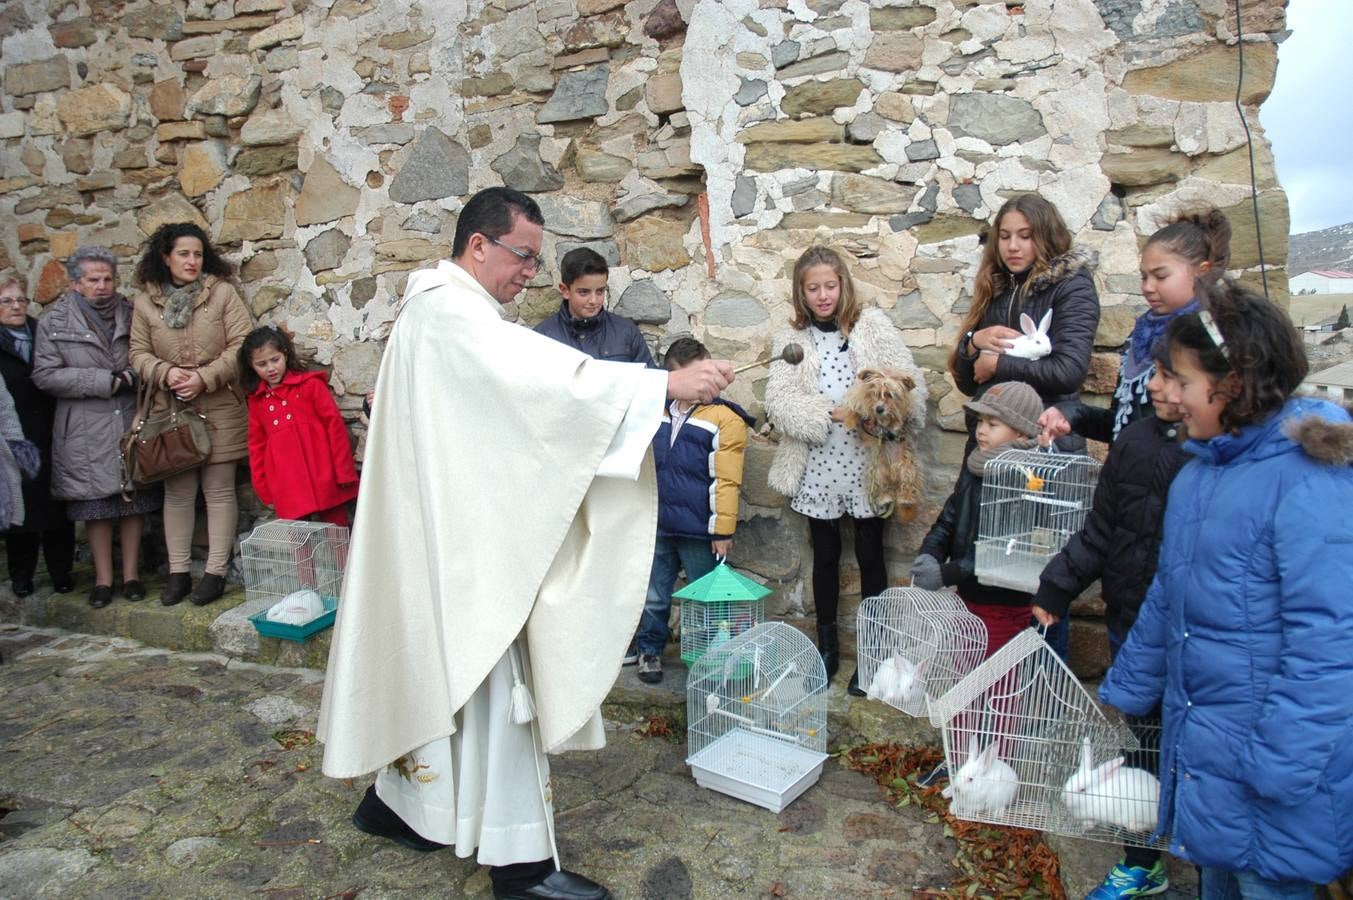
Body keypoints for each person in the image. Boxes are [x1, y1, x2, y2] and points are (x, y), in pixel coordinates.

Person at [317, 186, 732, 900]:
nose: (528, 276)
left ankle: (398, 809)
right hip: (465, 547)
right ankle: (521, 868)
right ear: (478, 244)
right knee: (496, 685)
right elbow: (541, 381)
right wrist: (661, 387)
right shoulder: (450, 315)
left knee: (446, 674)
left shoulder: (442, 312)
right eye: (523, 257)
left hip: (453, 533)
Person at [1101, 282, 1353, 899]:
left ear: (1234, 382)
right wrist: (1130, 687)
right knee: (1219, 875)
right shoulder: (1201, 474)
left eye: (1179, 379)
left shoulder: (1307, 481)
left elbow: (1329, 643)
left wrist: (1280, 766)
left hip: (1274, 765)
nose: (1162, 391)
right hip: (1214, 754)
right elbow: (1169, 593)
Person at [1033, 349, 1189, 899]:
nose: (1160, 388)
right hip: (1131, 619)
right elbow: (1102, 528)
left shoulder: (1211, 453)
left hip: (1190, 630)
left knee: (1190, 747)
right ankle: (1142, 859)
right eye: (1158, 376)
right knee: (1142, 743)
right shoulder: (1137, 440)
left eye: (1175, 378)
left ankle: (1193, 846)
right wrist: (1058, 584)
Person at [764, 245, 927, 695]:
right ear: (801, 291)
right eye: (812, 288)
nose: (822, 295)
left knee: (872, 553)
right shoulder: (792, 339)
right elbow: (778, 400)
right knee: (827, 555)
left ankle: (872, 655)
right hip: (818, 460)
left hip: (865, 460)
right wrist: (828, 414)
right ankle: (827, 650)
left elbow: (909, 384)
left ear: (843, 285)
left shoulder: (870, 328)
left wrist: (879, 411)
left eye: (829, 286)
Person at [949, 193, 1100, 660]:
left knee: (1041, 577)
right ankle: (996, 686)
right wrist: (974, 345)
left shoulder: (1071, 286)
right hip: (994, 451)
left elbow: (1069, 371)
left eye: (1025, 236)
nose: (1013, 246)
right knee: (991, 573)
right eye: (1005, 236)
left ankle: (1041, 689)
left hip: (1045, 453)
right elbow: (964, 376)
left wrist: (997, 366)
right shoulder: (995, 287)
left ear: (1045, 236)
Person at [130, 223, 252, 607]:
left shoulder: (222, 294)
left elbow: (242, 344)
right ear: (166, 257)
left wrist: (205, 377)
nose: (191, 261)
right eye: (183, 254)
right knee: (178, 493)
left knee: (218, 490)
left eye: (197, 254)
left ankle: (214, 573)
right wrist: (165, 373)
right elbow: (137, 353)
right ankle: (178, 573)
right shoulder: (146, 302)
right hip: (172, 411)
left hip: (219, 404)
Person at [32, 246, 161, 609]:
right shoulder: (55, 322)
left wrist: (132, 377)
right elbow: (45, 375)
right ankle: (103, 580)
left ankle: (133, 574)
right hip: (84, 427)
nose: (102, 286)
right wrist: (104, 380)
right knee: (96, 506)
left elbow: (149, 353)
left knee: (133, 499)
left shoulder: (131, 312)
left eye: (107, 279)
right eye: (93, 280)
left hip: (128, 417)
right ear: (75, 283)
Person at [1038, 209, 1231, 446]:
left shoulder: (1213, 339)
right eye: (1143, 277)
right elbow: (1122, 426)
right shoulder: (1140, 337)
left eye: (1160, 276)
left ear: (1202, 271)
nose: (1148, 287)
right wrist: (1072, 414)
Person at [636, 337, 754, 684]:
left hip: (698, 531)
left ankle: (707, 658)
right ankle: (650, 651)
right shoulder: (653, 411)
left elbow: (727, 480)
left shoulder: (724, 419)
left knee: (705, 598)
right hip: (657, 526)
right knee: (654, 595)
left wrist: (722, 531)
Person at [909, 381, 1049, 657]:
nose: (981, 430)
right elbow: (950, 518)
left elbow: (1005, 548)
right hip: (968, 595)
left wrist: (946, 573)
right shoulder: (977, 464)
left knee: (993, 679)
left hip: (1003, 603)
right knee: (965, 666)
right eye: (980, 421)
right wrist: (931, 552)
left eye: (992, 424)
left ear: (1021, 432)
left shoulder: (1027, 479)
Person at [240, 326, 358, 528]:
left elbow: (335, 427)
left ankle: (345, 561)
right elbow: (257, 446)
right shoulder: (257, 402)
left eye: (275, 360)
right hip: (288, 483)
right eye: (261, 364)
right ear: (251, 366)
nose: (270, 368)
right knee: (298, 540)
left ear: (285, 354)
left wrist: (343, 470)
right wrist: (263, 487)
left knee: (337, 532)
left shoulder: (310, 385)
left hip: (325, 474)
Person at [0, 276, 74, 596]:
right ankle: (22, 575)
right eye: (7, 301)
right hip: (14, 437)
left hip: (52, 429)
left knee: (58, 505)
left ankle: (62, 572)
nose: (16, 306)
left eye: (20, 300)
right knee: (22, 508)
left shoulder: (43, 334)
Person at [534, 246, 653, 365]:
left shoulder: (627, 332)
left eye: (600, 291)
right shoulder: (542, 337)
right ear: (565, 290)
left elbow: (649, 378)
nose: (593, 300)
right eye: (584, 292)